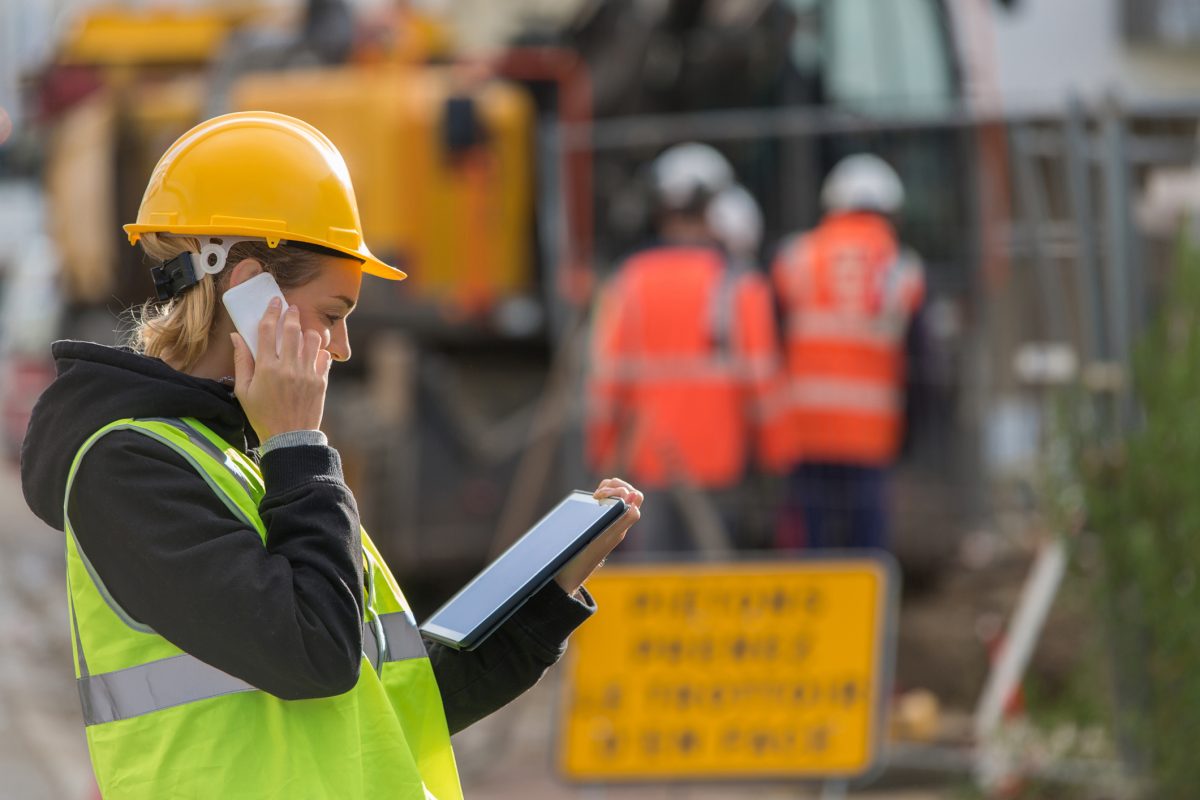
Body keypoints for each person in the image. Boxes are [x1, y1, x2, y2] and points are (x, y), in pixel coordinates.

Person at [20, 111, 642, 800]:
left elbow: (392, 701)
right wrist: (297, 445)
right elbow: (319, 654)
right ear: (247, 289)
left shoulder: (250, 460)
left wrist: (546, 602)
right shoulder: (128, 470)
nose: (343, 347)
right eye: (331, 312)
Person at [586, 144, 783, 553]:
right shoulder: (741, 285)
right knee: (712, 587)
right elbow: (763, 386)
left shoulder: (629, 282)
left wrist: (603, 455)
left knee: (656, 588)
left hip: (650, 466)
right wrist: (777, 464)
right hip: (719, 465)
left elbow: (607, 385)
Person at [771, 153, 925, 550]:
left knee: (811, 545)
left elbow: (770, 339)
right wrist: (913, 432)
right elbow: (922, 360)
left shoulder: (795, 257)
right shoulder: (902, 269)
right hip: (870, 434)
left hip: (804, 429)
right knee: (865, 550)